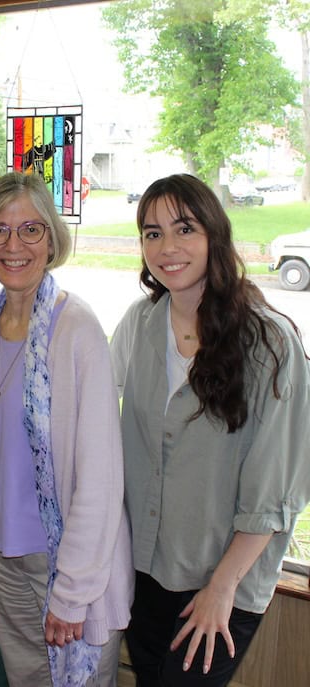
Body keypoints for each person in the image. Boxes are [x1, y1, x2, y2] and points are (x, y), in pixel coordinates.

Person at [110, 173, 310, 687]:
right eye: (152, 233)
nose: (167, 247)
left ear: (213, 237)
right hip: (144, 570)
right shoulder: (139, 323)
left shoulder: (270, 343)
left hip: (223, 584)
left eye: (183, 229)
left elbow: (277, 491)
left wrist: (221, 589)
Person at [0, 171, 134, 687]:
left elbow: (100, 476)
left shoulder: (75, 329)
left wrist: (72, 592)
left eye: (31, 229)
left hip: (66, 563)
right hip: (5, 559)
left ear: (52, 240)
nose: (14, 245)